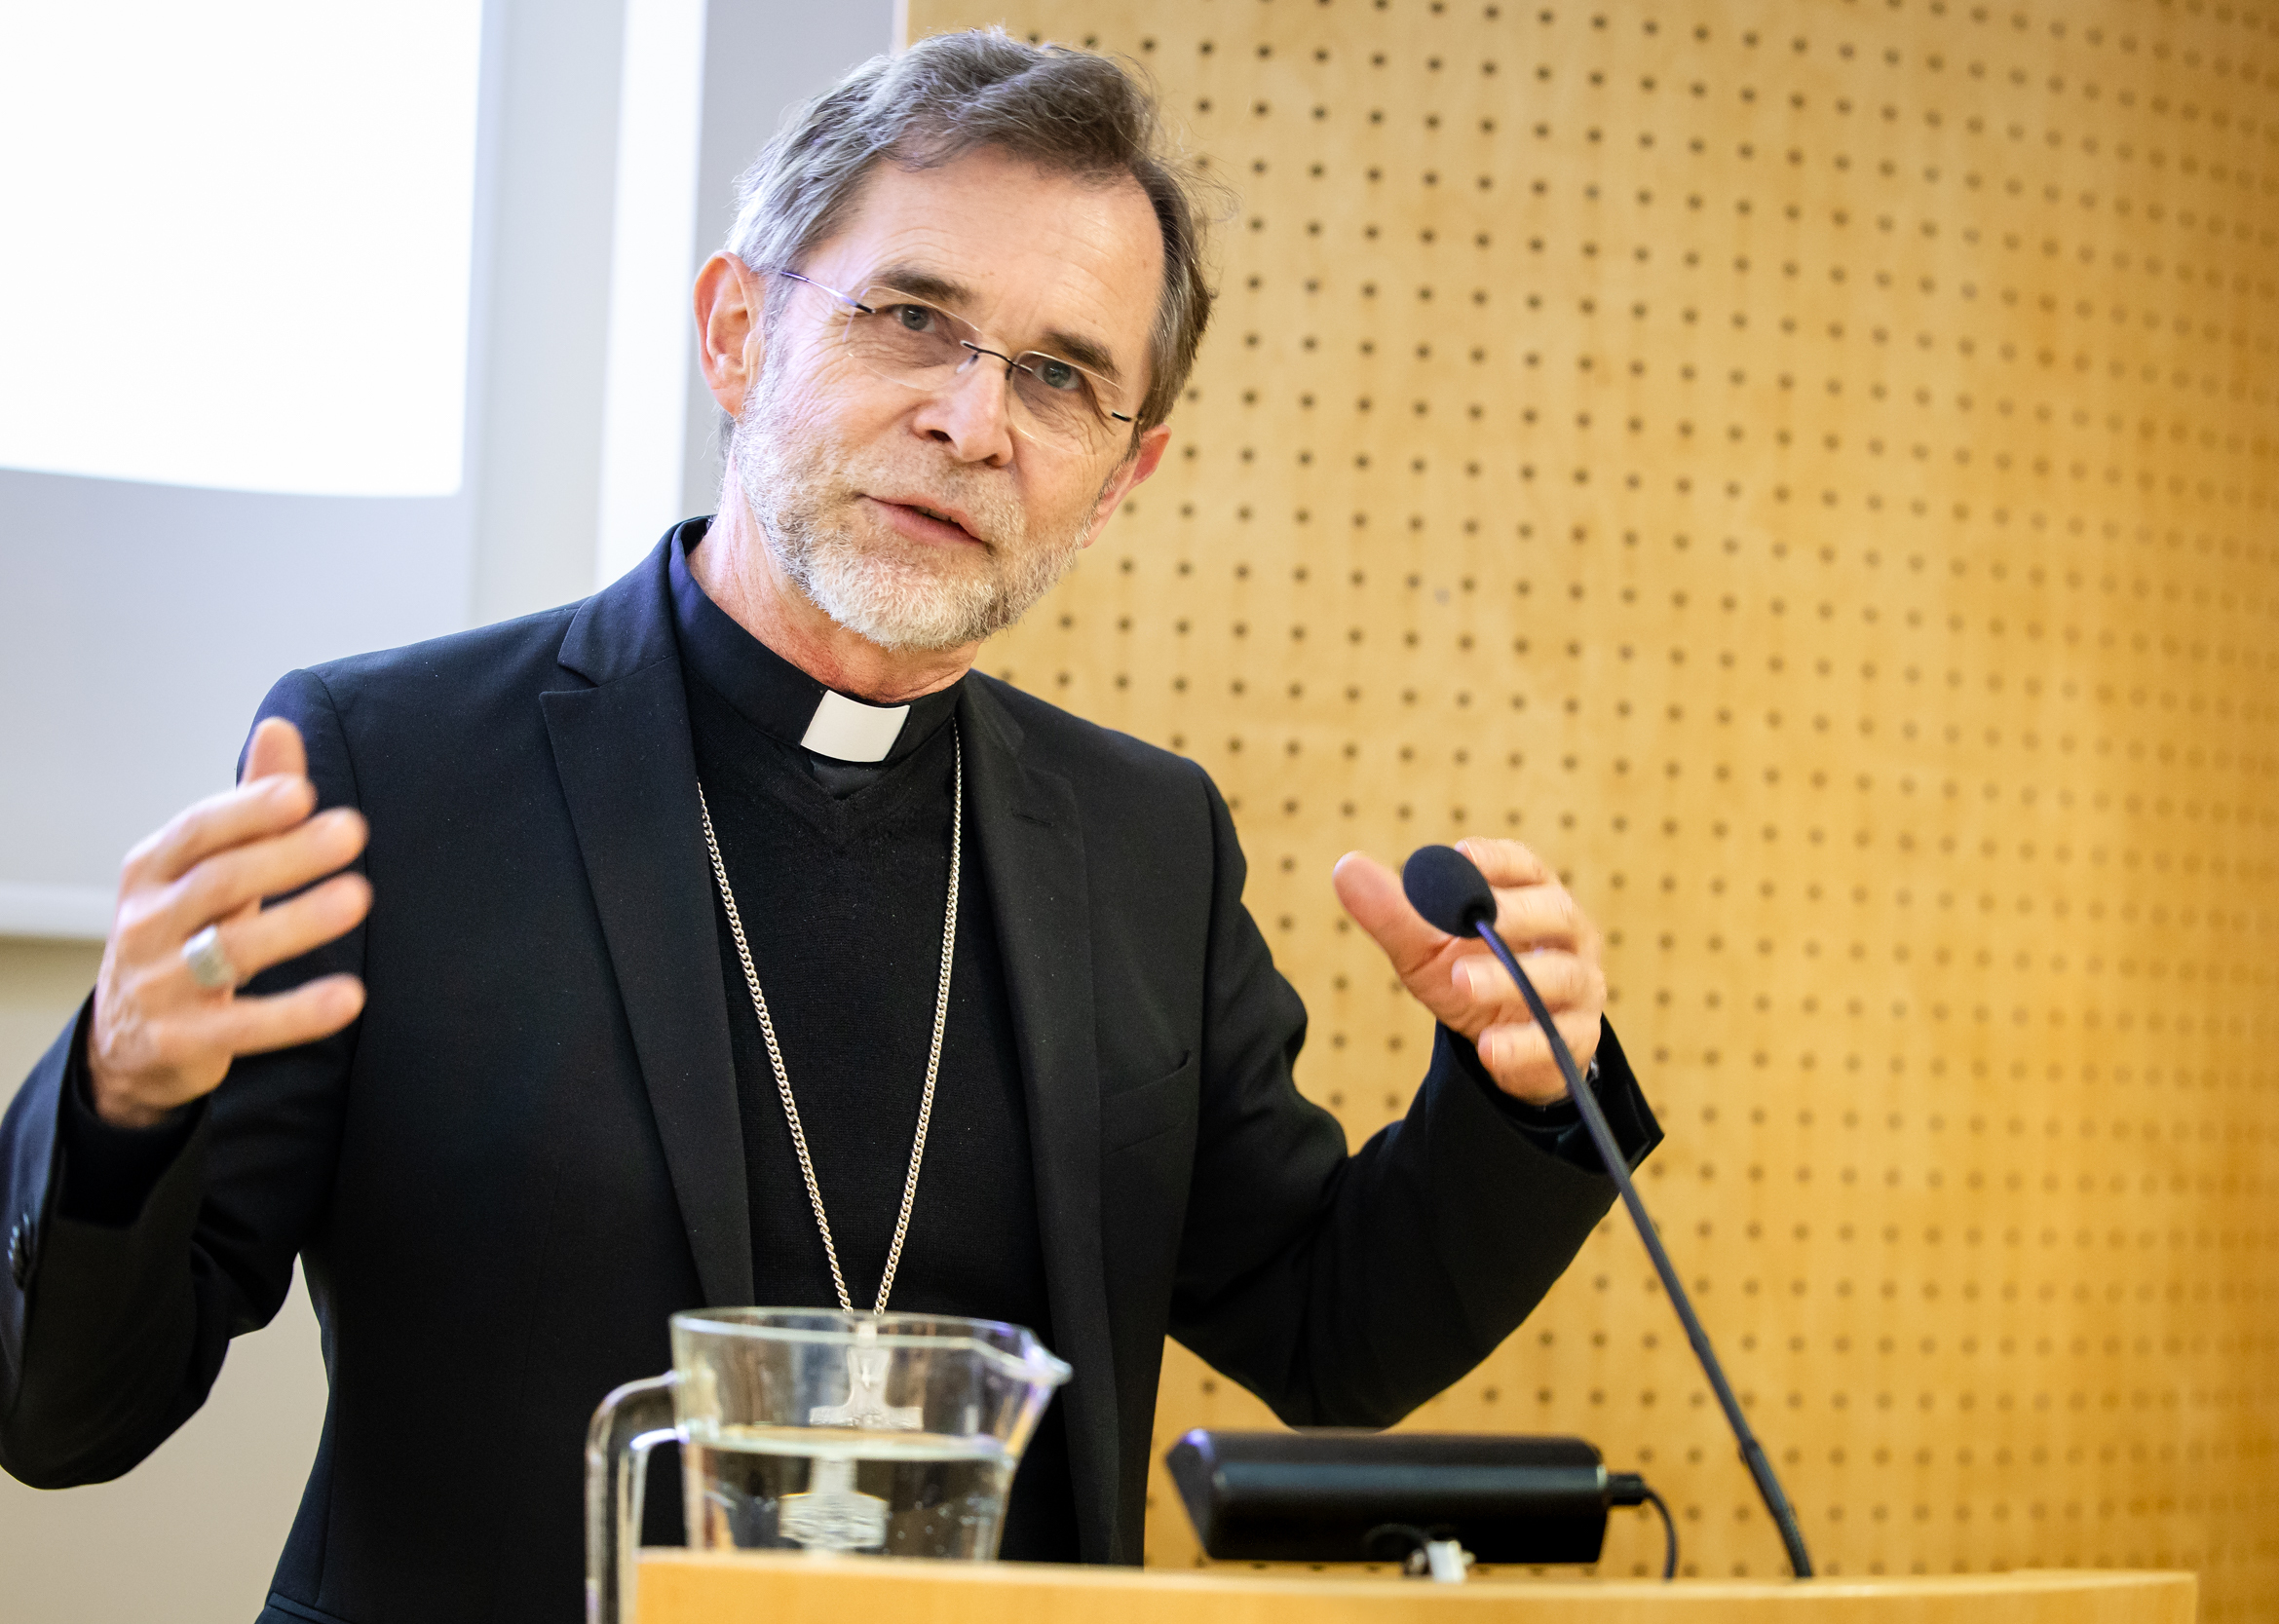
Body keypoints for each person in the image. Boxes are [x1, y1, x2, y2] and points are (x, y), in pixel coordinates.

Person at [0, 30, 1658, 1624]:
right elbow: (67, 1417)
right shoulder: (395, 766)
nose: (973, 421)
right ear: (738, 332)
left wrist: (1525, 1096)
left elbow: (1330, 1335)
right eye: (913, 318)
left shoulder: (1145, 839)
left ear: (1122, 477)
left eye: (1060, 376)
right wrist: (121, 1101)